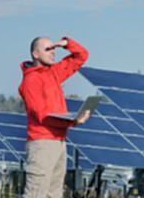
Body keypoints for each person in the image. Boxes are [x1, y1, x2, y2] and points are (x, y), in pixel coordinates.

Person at [18, 36, 91, 198]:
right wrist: (74, 121)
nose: (53, 53)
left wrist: (66, 44)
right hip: (42, 144)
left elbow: (81, 56)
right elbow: (43, 116)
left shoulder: (53, 73)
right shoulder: (32, 80)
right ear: (36, 54)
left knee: (54, 194)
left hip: (58, 142)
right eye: (48, 49)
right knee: (35, 194)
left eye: (54, 49)